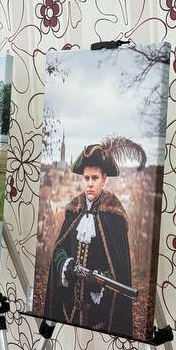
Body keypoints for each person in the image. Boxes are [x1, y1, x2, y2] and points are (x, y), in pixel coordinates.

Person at [43, 143, 134, 335]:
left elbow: (118, 268)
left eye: (95, 178)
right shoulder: (73, 210)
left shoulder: (114, 216)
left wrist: (100, 279)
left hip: (99, 318)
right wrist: (66, 264)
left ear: (104, 179)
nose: (90, 184)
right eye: (86, 178)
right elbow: (59, 249)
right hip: (69, 312)